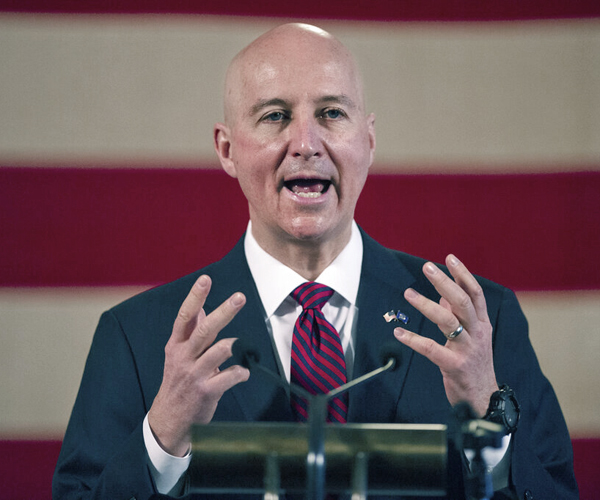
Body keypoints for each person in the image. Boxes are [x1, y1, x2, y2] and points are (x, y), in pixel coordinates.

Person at [53, 23, 578, 500]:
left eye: (331, 113)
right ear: (227, 148)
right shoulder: (137, 337)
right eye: (275, 116)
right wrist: (163, 440)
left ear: (368, 141)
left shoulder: (480, 324)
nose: (306, 143)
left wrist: (490, 425)